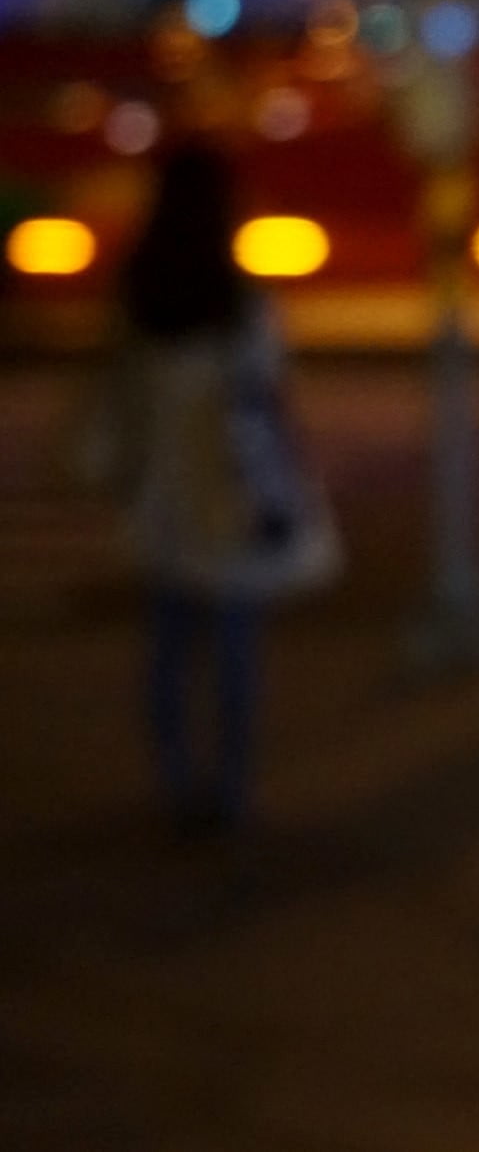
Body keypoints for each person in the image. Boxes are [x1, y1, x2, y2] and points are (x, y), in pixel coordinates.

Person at [88, 140, 338, 835]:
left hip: (164, 492)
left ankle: (174, 779)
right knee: (234, 647)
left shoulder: (138, 289)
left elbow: (119, 393)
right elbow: (269, 393)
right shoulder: (239, 298)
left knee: (167, 646)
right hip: (229, 489)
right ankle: (231, 786)